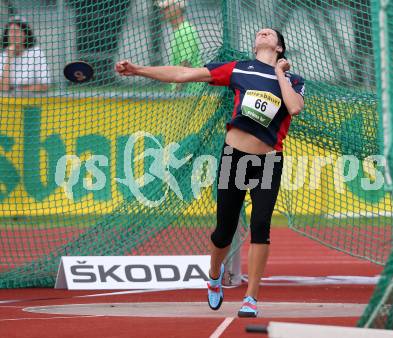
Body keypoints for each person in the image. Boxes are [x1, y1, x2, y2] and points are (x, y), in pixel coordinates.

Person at [115, 28, 305, 317]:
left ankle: (251, 298)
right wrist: (139, 69)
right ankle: (214, 275)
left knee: (261, 226)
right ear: (255, 45)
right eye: (259, 33)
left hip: (268, 161)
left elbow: (294, 107)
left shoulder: (293, 81)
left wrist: (280, 73)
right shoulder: (240, 69)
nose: (263, 33)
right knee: (224, 231)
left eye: (269, 33)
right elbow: (183, 74)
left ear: (279, 47)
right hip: (235, 158)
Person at [157, 0, 202, 91]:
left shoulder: (185, 30)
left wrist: (177, 91)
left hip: (190, 94)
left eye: (166, 8)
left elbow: (185, 65)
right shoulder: (179, 31)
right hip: (187, 94)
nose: (162, 12)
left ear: (178, 8)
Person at [0, 17, 51, 92]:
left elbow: (44, 85)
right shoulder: (2, 56)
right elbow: (3, 87)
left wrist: (16, 90)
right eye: (11, 32)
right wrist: (9, 58)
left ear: (25, 34)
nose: (14, 35)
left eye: (17, 31)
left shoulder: (36, 53)